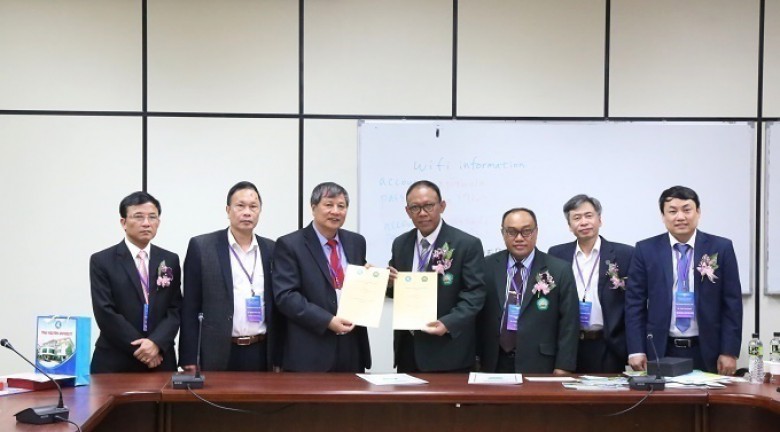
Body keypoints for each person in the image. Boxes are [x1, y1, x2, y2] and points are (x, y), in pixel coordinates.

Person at [625, 186, 742, 375]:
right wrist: (636, 349)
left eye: (687, 210)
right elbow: (634, 304)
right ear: (663, 216)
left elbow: (732, 303)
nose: (680, 217)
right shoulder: (646, 250)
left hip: (708, 349)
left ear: (698, 212)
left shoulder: (721, 248)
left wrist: (729, 351)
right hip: (661, 348)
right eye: (672, 211)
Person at [388, 180, 486, 372]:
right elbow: (395, 291)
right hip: (408, 349)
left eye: (429, 206)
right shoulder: (401, 243)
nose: (422, 213)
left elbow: (475, 294)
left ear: (442, 206)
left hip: (447, 350)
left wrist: (448, 323)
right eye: (415, 207)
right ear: (407, 211)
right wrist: (387, 283)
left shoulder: (466, 244)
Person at [273, 182, 371, 372]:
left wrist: (373, 279)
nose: (335, 211)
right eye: (328, 205)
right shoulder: (290, 244)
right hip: (311, 350)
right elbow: (286, 296)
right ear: (313, 208)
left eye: (341, 206)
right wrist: (327, 321)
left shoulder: (356, 242)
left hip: (351, 347)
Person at [179, 181, 276, 371]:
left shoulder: (271, 249)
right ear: (228, 210)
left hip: (261, 350)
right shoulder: (202, 247)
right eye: (240, 206)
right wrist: (189, 356)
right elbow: (190, 306)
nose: (247, 212)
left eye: (253, 206)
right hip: (217, 351)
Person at [477, 208, 579, 374]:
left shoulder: (559, 269)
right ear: (503, 233)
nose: (519, 238)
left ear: (536, 232)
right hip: (493, 362)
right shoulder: (486, 266)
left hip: (540, 362)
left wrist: (564, 366)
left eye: (526, 231)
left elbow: (569, 322)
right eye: (512, 232)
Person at [90, 191, 181, 373]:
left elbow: (175, 309)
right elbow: (105, 311)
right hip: (116, 359)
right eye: (138, 217)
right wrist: (143, 349)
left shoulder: (170, 259)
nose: (146, 223)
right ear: (123, 222)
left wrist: (156, 343)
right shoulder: (102, 260)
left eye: (152, 217)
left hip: (160, 358)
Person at [548, 195, 634, 373]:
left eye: (589, 216)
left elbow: (634, 304)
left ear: (599, 219)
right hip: (569, 346)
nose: (584, 222)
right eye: (577, 218)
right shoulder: (557, 254)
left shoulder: (625, 254)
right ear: (569, 225)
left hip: (608, 345)